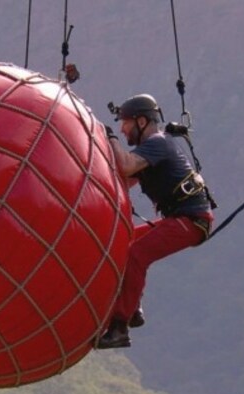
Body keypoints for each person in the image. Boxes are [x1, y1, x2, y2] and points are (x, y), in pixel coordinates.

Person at [96, 93, 214, 349]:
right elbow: (125, 181)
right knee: (124, 242)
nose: (122, 129)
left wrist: (111, 140)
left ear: (141, 121)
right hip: (182, 219)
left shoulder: (158, 144)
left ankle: (119, 328)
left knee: (137, 254)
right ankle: (133, 307)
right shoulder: (149, 152)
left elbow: (126, 166)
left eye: (125, 123)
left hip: (192, 220)